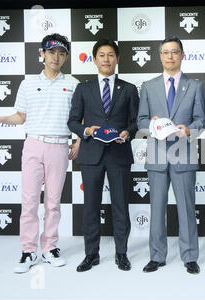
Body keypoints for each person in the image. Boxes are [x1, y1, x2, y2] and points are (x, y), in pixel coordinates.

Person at [0, 33, 80, 273]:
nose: (56, 57)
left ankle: (49, 248)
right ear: (42, 54)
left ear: (66, 56)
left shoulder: (74, 83)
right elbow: (21, 116)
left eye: (61, 53)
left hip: (59, 146)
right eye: (51, 52)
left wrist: (78, 141)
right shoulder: (27, 83)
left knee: (53, 202)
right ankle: (28, 250)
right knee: (28, 201)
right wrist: (0, 118)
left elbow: (80, 119)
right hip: (34, 145)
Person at [68, 39, 139, 272]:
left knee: (121, 205)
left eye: (111, 55)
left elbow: (135, 121)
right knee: (90, 207)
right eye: (101, 55)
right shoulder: (83, 88)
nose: (106, 59)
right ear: (94, 59)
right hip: (91, 155)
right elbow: (72, 121)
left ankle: (122, 253)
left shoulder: (128, 89)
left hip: (119, 153)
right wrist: (86, 130)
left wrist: (129, 132)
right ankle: (91, 254)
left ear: (117, 59)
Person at [137, 37, 205, 274]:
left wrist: (190, 130)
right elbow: (141, 120)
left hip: (184, 153)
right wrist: (151, 124)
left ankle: (189, 256)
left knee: (186, 208)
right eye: (166, 52)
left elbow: (201, 120)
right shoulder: (148, 86)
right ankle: (156, 256)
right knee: (157, 208)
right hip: (157, 155)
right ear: (160, 56)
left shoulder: (195, 86)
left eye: (175, 52)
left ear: (182, 55)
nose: (170, 56)